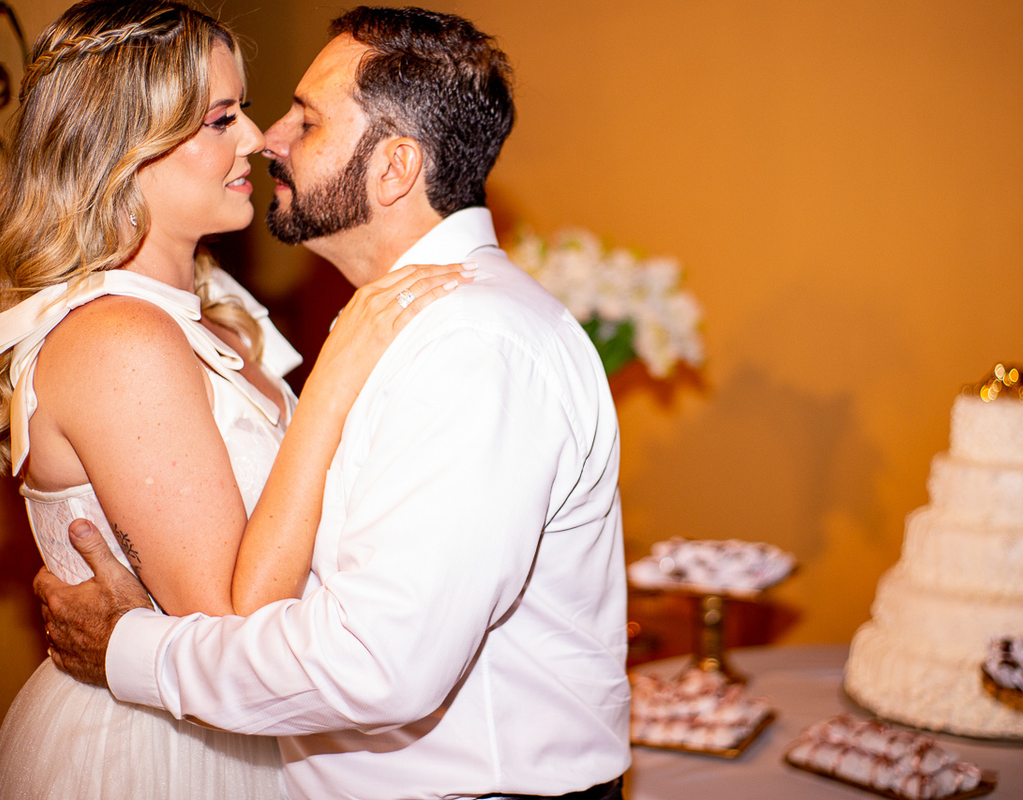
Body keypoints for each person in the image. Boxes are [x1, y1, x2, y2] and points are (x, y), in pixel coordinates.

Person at [38, 6, 632, 800]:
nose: (266, 138)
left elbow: (378, 664)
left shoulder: (468, 346)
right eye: (233, 116)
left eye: (305, 121)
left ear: (393, 169)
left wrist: (127, 649)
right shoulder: (405, 328)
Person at [0, 1, 466, 797]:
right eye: (222, 118)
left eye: (242, 110)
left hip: (256, 732)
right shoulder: (120, 340)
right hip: (164, 753)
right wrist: (338, 375)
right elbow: (226, 624)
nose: (256, 139)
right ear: (125, 145)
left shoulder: (215, 308)